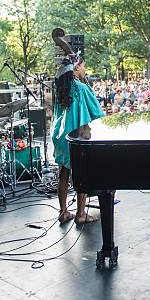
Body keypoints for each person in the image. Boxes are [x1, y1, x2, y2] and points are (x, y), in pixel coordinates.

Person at [51, 56, 105, 224]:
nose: (85, 70)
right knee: (82, 175)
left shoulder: (60, 90)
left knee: (64, 173)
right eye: (83, 67)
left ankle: (63, 212)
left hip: (61, 136)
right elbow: (97, 113)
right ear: (76, 68)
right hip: (77, 135)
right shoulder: (81, 88)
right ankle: (81, 214)